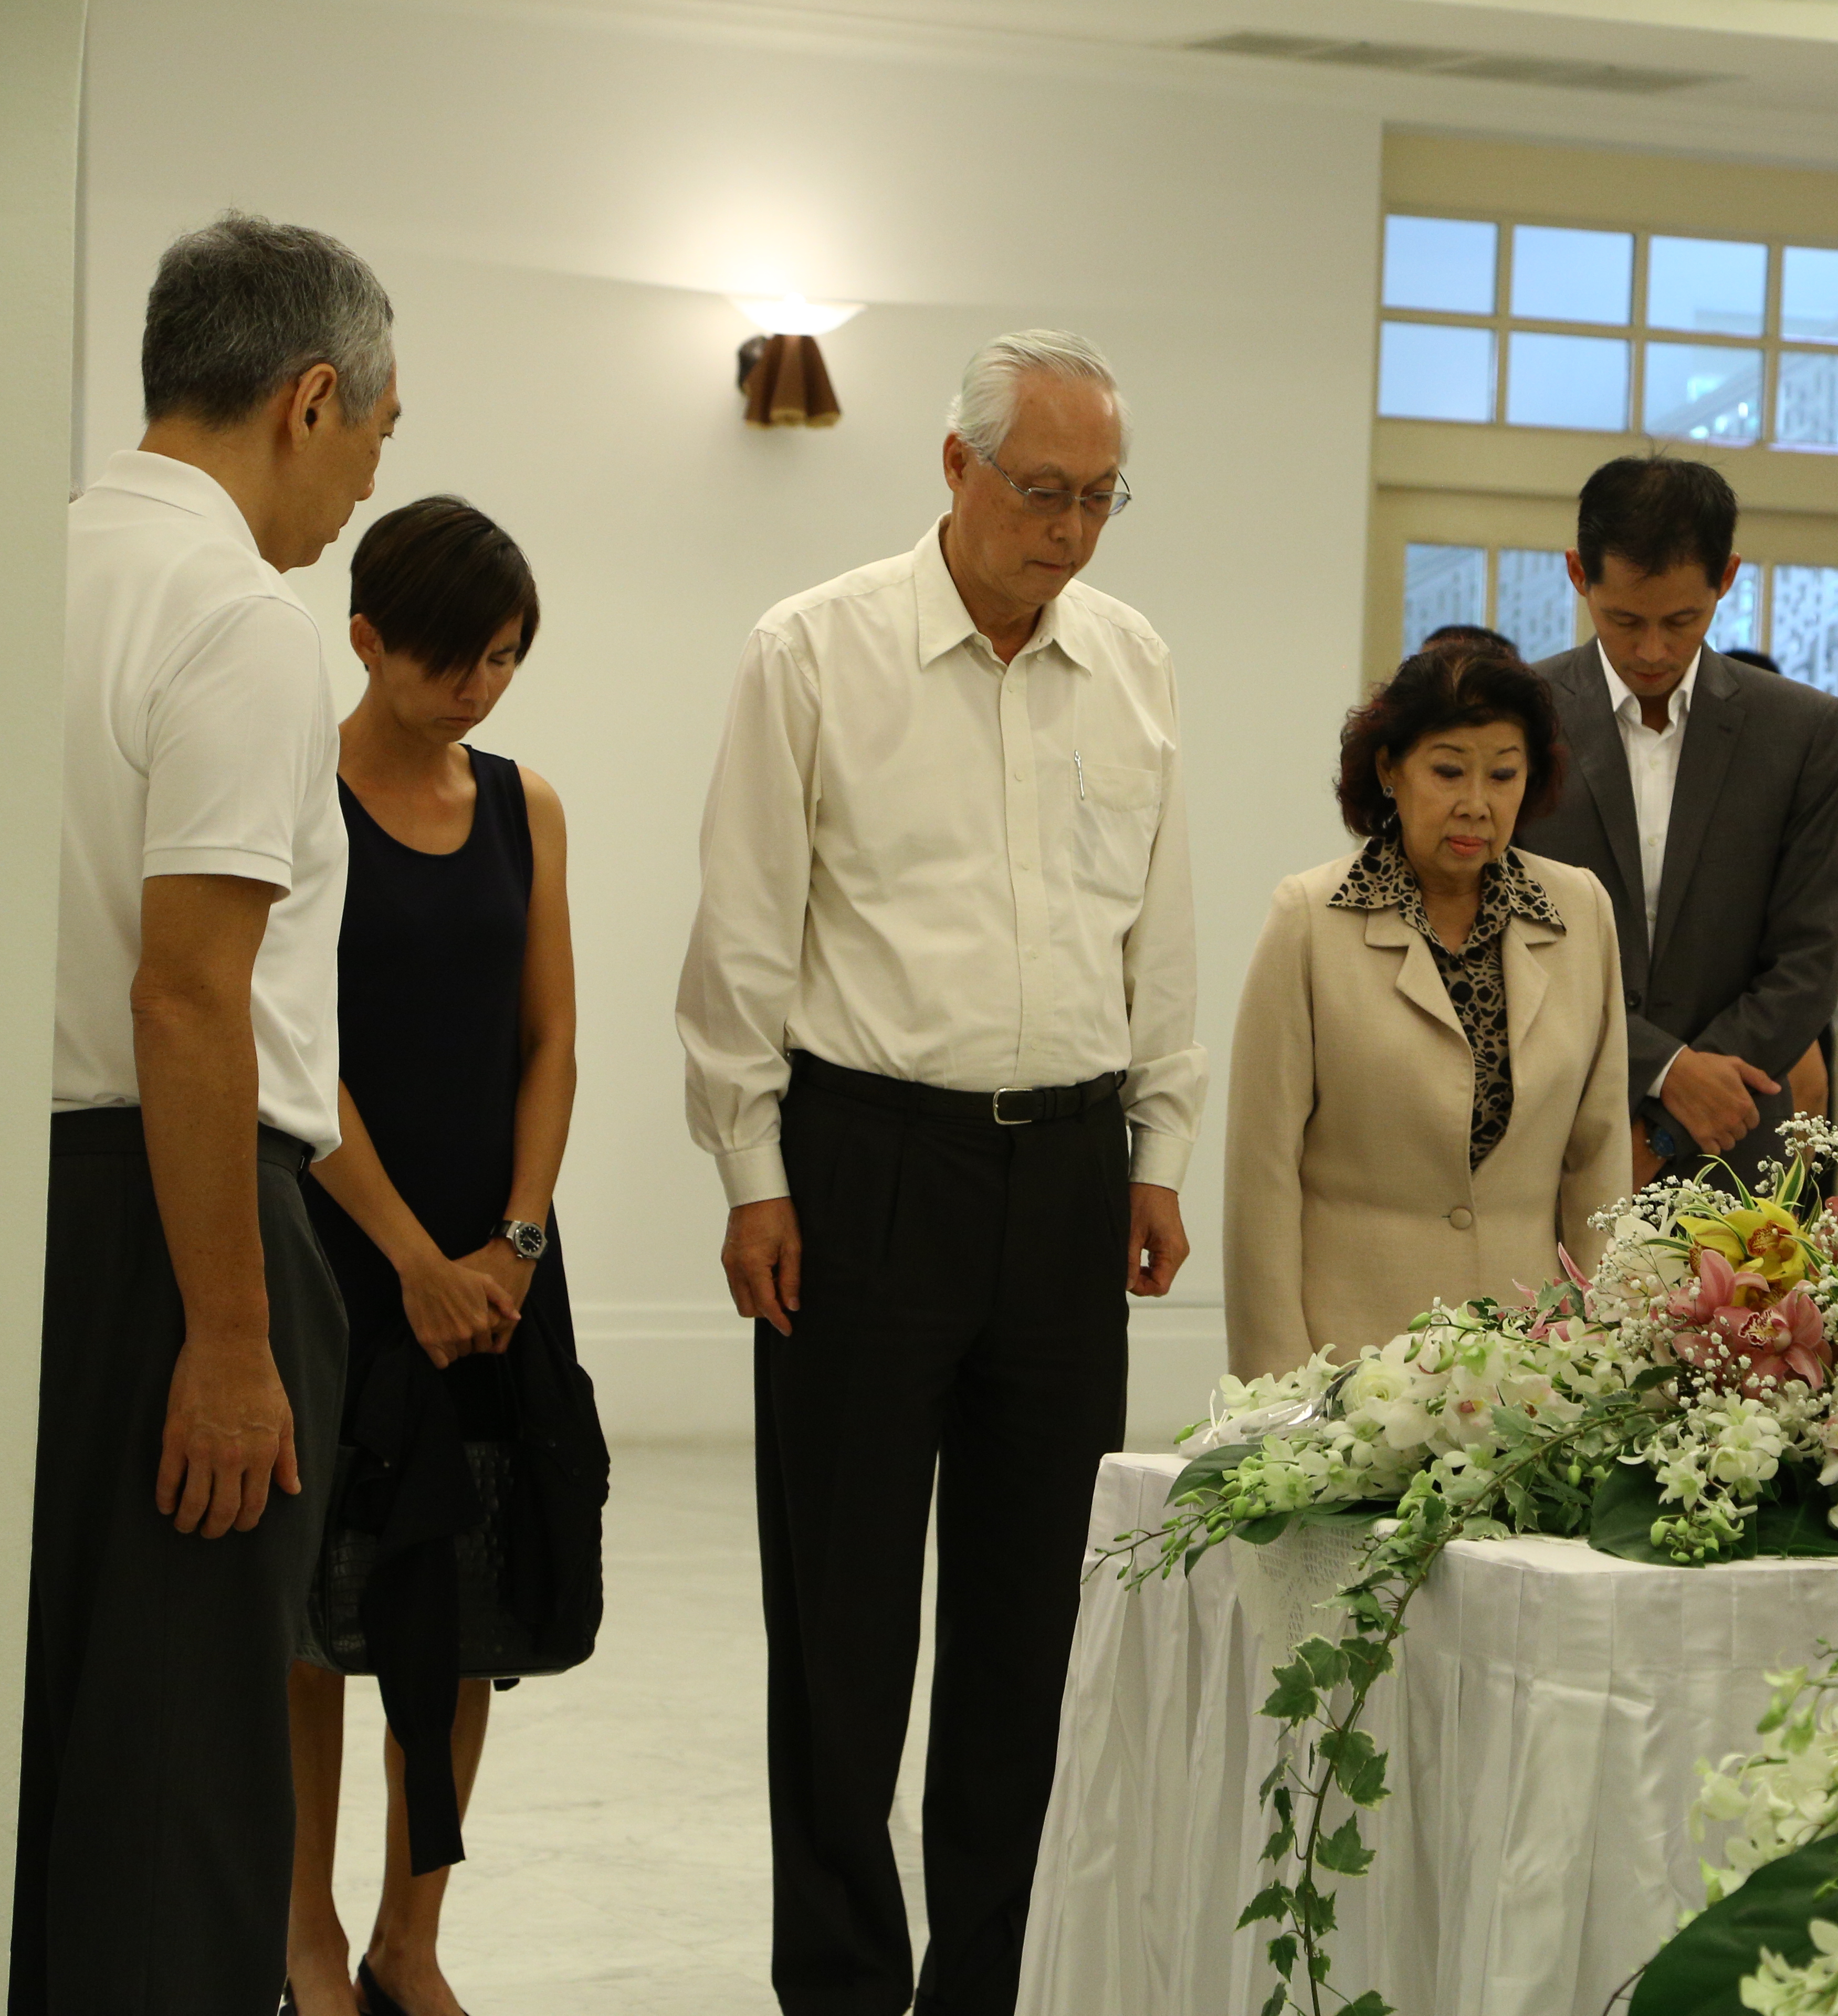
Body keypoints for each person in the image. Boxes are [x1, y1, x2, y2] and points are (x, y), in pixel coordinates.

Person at [676, 329, 1204, 2015]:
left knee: (1028, 1619)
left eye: (1100, 498)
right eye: (1042, 490)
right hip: (863, 1162)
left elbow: (1161, 927)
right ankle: (841, 1985)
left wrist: (1160, 1140)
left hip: (1066, 1165)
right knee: (841, 1624)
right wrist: (752, 1164)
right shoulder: (815, 651)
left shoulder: (1132, 663)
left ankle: (987, 1979)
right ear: (959, 470)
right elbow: (745, 933)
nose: (1069, 528)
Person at [21, 213, 397, 2016]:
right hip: (178, 1218)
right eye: (377, 436)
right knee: (180, 1761)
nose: (358, 490)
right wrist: (234, 1333)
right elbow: (189, 993)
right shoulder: (238, 615)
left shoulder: (23, 566)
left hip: (1, 1200)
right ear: (308, 400)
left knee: (26, 1726)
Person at [284, 498, 604, 2016]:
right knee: (322, 1611)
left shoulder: (523, 802)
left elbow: (551, 1037)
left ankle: (411, 1941)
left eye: (504, 660)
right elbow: (298, 1057)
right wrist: (415, 1257)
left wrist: (514, 1242)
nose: (479, 691)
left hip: (497, 1271)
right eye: (450, 667)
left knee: (470, 1595)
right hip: (345, 1255)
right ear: (365, 643)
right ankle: (302, 1940)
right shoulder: (297, 797)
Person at [1225, 636, 1631, 1378]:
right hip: (1352, 1358)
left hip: (1532, 1363)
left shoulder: (1579, 912)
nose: (1476, 803)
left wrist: (1605, 1355)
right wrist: (1277, 1385)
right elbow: (1263, 1176)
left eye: (1504, 774)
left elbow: (1600, 1158)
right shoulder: (1310, 919)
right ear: (1390, 770)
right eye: (1448, 771)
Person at [1515, 455, 1838, 1187]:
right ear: (1579, 574)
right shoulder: (1518, 717)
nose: (1652, 651)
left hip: (1733, 1147)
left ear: (1727, 579)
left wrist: (1669, 1125)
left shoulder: (1801, 731)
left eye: (1683, 620)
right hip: (1548, 1140)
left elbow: (1806, 964)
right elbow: (1501, 938)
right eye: (1624, 619)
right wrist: (1662, 1069)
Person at [1725, 647, 1838, 1121]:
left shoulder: (1824, 801)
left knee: (1796, 1179)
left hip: (1796, 1016)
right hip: (1703, 1031)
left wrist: (1811, 1019)